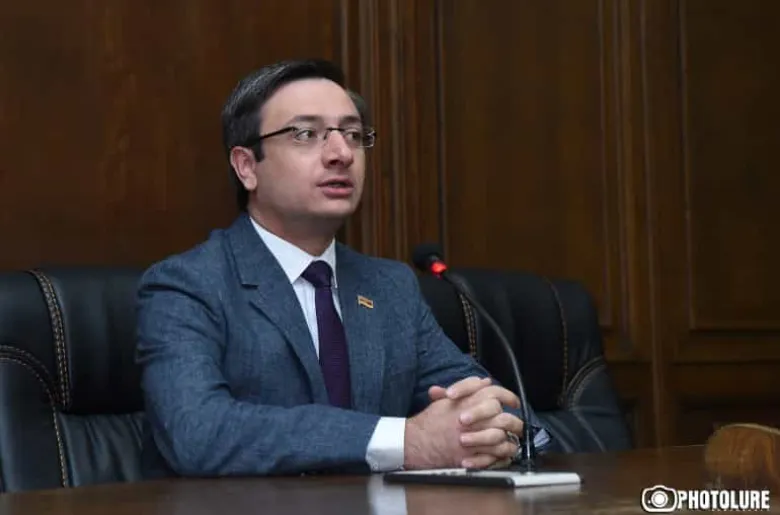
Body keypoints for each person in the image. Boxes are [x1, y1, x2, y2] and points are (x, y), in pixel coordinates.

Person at [135, 58, 551, 478]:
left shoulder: (390, 286)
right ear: (246, 166)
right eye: (305, 134)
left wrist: (494, 428)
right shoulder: (188, 285)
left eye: (353, 134)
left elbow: (499, 409)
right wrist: (406, 441)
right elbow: (198, 433)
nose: (341, 154)